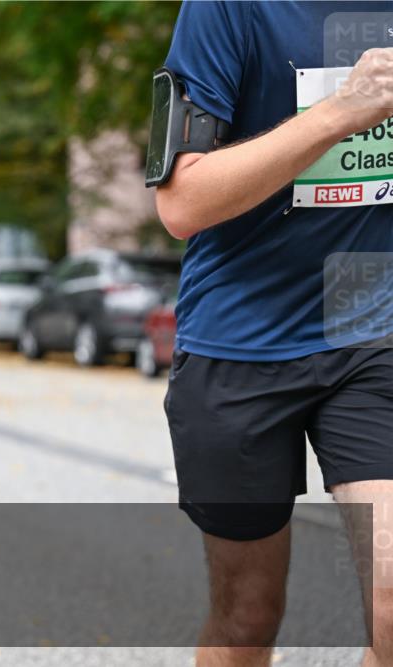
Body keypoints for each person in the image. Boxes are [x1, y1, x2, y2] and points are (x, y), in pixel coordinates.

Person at [153, 4, 392, 665]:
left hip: (373, 336)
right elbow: (181, 203)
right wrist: (339, 113)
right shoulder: (226, 9)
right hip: (239, 342)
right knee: (248, 618)